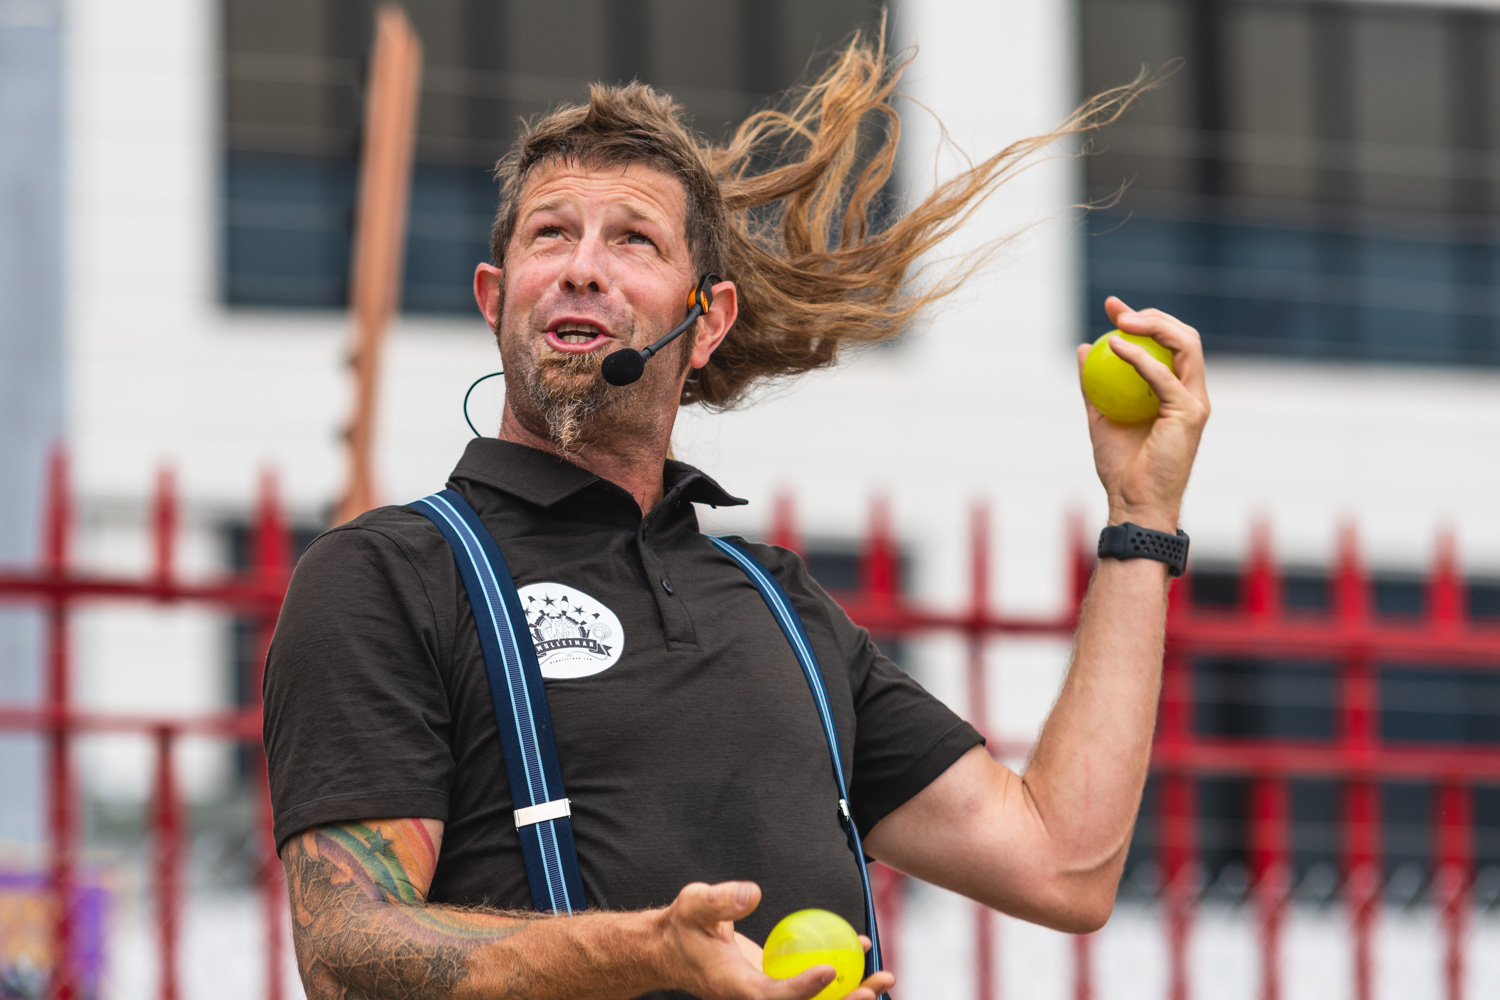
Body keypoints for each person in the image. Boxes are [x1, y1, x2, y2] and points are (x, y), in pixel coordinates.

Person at [262, 32, 1209, 1000]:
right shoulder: (393, 572)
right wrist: (647, 951)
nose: (583, 267)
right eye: (551, 234)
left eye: (632, 239)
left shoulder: (781, 606)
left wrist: (1141, 516)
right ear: (496, 298)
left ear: (705, 319)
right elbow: (346, 950)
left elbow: (1064, 864)